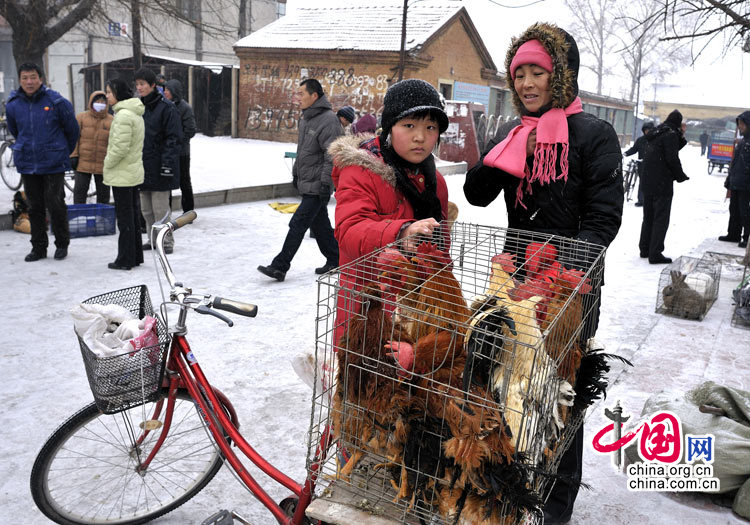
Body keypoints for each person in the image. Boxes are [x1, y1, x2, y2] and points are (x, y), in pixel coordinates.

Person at [463, 23, 624, 524]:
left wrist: (565, 278)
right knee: (507, 385)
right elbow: (476, 194)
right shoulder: (513, 133)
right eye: (520, 75)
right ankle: (510, 487)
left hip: (570, 287)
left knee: (560, 393)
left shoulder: (594, 135)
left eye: (538, 72)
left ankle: (556, 505)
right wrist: (512, 155)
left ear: (562, 76)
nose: (527, 84)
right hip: (514, 280)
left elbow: (603, 219)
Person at [329, 78, 450, 339]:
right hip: (368, 308)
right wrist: (401, 232)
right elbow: (349, 230)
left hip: (417, 310)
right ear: (389, 127)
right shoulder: (361, 170)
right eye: (409, 125)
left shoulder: (434, 180)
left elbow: (442, 242)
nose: (420, 137)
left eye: (431, 127)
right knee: (364, 375)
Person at [257, 78, 342, 281]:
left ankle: (280, 266)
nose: (298, 98)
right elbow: (302, 150)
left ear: (314, 96)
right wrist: (296, 173)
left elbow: (332, 155)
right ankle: (336, 258)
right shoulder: (306, 119)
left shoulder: (329, 120)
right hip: (308, 180)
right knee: (320, 225)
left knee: (298, 223)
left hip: (318, 183)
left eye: (301, 94)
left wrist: (325, 184)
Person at [5, 62, 80, 262]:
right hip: (28, 162)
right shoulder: (13, 105)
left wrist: (60, 150)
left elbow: (72, 130)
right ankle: (38, 247)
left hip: (53, 162)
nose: (29, 82)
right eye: (25, 78)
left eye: (33, 77)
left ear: (41, 78)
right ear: (20, 80)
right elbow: (15, 130)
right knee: (34, 206)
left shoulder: (56, 102)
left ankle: (62, 243)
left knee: (55, 203)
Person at [134, 68, 182, 254]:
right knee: (146, 210)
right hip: (143, 165)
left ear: (153, 85)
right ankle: (152, 239)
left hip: (161, 165)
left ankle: (166, 242)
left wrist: (167, 164)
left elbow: (174, 138)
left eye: (143, 84)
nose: (140, 88)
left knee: (160, 209)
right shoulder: (139, 107)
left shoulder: (167, 108)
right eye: (137, 84)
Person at [102, 79, 146, 270]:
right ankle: (135, 256)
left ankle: (125, 259)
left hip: (122, 174)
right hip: (132, 172)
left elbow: (120, 148)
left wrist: (107, 162)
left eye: (109, 92)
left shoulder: (122, 116)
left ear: (118, 93)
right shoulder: (134, 114)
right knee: (133, 216)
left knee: (126, 218)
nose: (107, 96)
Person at [639, 109, 689, 264]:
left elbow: (669, 149)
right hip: (662, 182)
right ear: (678, 122)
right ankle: (655, 253)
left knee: (648, 216)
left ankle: (645, 248)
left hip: (647, 181)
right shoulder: (670, 134)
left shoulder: (657, 131)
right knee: (661, 218)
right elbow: (671, 157)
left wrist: (680, 134)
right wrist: (680, 176)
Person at [70, 91, 113, 205]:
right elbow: (74, 138)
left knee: (104, 196)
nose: (100, 103)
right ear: (91, 102)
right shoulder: (81, 117)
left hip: (103, 164)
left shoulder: (111, 120)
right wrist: (73, 155)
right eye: (97, 101)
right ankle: (79, 217)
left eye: (102, 101)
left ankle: (102, 218)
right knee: (79, 193)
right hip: (83, 163)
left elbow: (113, 142)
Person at [164, 79, 197, 212]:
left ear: (174, 91)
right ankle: (166, 211)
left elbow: (190, 130)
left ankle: (188, 211)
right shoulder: (164, 106)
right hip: (168, 152)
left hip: (182, 152)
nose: (165, 92)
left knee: (184, 181)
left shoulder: (185, 108)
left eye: (167, 90)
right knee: (166, 183)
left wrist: (176, 140)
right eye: (164, 89)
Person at [727, 111, 750, 249]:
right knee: (734, 209)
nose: (740, 127)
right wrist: (730, 179)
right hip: (736, 181)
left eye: (742, 124)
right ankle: (733, 234)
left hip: (746, 184)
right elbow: (735, 162)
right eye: (739, 124)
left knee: (744, 211)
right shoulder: (743, 142)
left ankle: (746, 237)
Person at [624, 121, 655, 206]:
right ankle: (641, 200)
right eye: (645, 130)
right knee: (642, 183)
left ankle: (649, 201)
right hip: (642, 165)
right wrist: (625, 153)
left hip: (653, 166)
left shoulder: (656, 140)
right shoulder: (640, 140)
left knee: (650, 184)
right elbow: (634, 149)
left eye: (649, 130)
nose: (647, 132)